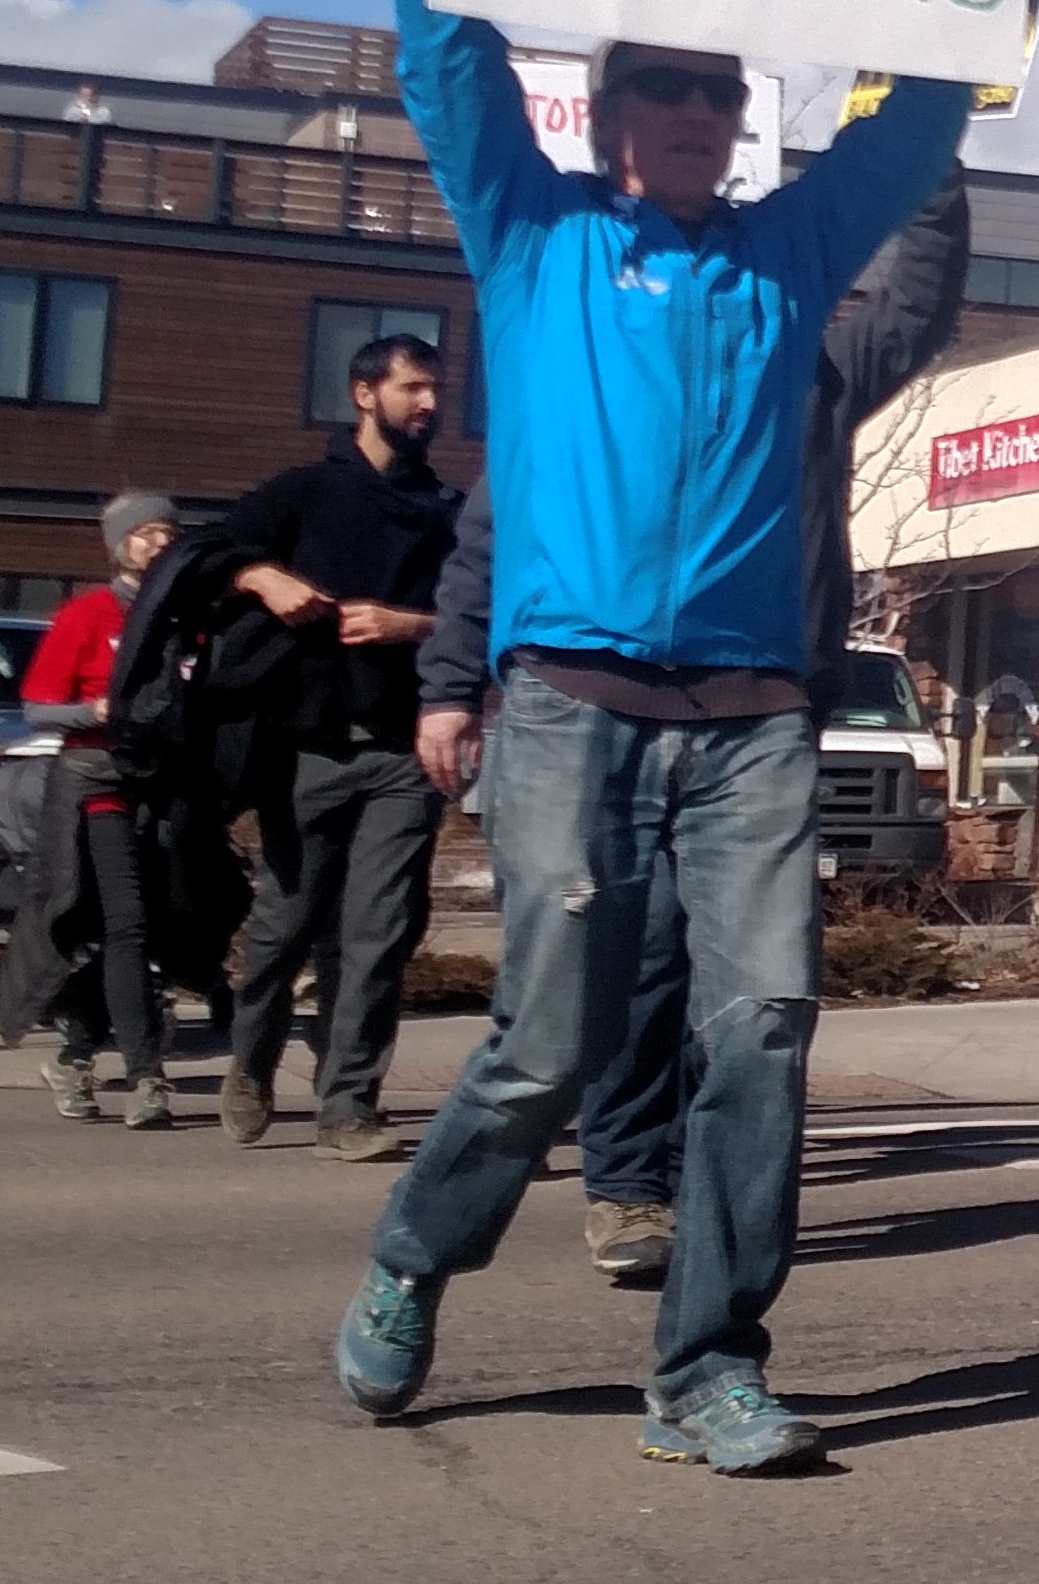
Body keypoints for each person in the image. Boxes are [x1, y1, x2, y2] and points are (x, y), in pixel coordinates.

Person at [328, 0, 991, 1475]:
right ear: (609, 109)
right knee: (544, 1047)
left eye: (721, 88)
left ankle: (707, 1362)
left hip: (755, 713)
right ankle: (415, 1251)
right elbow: (443, 48)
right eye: (665, 85)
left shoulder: (787, 255)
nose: (696, 110)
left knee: (761, 1025)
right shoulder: (533, 232)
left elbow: (919, 120)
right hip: (571, 704)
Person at [417, 168, 977, 1281]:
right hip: (606, 709)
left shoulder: (816, 370)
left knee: (760, 1011)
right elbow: (499, 525)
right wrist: (449, 677)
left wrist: (928, 173)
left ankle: (712, 1324)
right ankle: (617, 1185)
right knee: (614, 974)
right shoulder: (591, 372)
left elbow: (918, 306)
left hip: (763, 710)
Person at [221, 337, 462, 1162]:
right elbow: (204, 557)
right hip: (306, 748)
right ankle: (249, 1065)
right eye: (413, 388)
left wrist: (410, 625)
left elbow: (491, 613)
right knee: (282, 925)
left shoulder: (447, 510)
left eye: (436, 390)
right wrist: (264, 578)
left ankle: (348, 1103)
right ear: (364, 393)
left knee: (379, 934)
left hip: (404, 752)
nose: (429, 404)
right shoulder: (302, 493)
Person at [19, 491, 184, 1129]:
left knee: (159, 926)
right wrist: (95, 712)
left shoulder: (181, 617)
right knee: (129, 924)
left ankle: (76, 1052)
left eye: (168, 532)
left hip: (167, 787)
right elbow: (36, 706)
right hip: (98, 784)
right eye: (145, 533)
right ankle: (147, 1077)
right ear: (118, 544)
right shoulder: (87, 614)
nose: (159, 544)